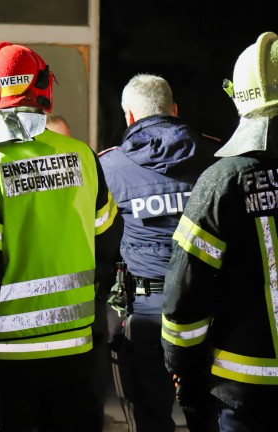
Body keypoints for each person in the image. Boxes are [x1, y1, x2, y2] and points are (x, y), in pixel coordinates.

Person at [0, 41, 123, 431]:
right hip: (76, 351)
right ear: (43, 89)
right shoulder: (82, 156)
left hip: (8, 362)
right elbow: (108, 240)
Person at [162, 31, 278, 431]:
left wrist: (184, 373)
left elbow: (185, 295)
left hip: (243, 393)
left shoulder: (222, 182)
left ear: (239, 96)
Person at [99, 73, 220, 432]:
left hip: (145, 313)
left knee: (151, 416)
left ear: (129, 117)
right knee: (211, 411)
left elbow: (99, 239)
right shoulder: (216, 155)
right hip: (209, 309)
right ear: (175, 110)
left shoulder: (108, 167)